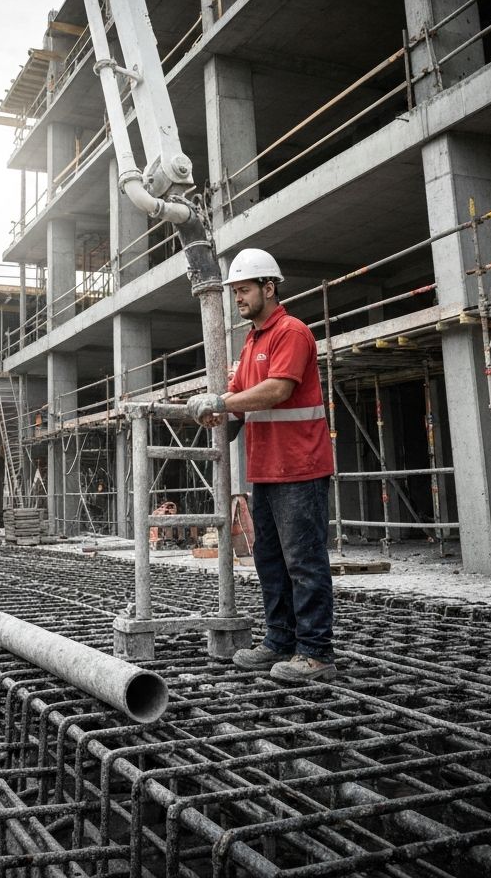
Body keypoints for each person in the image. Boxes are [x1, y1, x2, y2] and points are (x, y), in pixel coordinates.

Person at [187, 249, 336, 683]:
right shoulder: (251, 342)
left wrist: (223, 402)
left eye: (245, 290)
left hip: (300, 469)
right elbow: (237, 398)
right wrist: (219, 414)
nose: (238, 298)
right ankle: (279, 641)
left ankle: (316, 652)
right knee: (270, 561)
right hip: (267, 470)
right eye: (234, 292)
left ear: (269, 288)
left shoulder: (291, 332)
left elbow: (276, 391)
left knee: (304, 562)